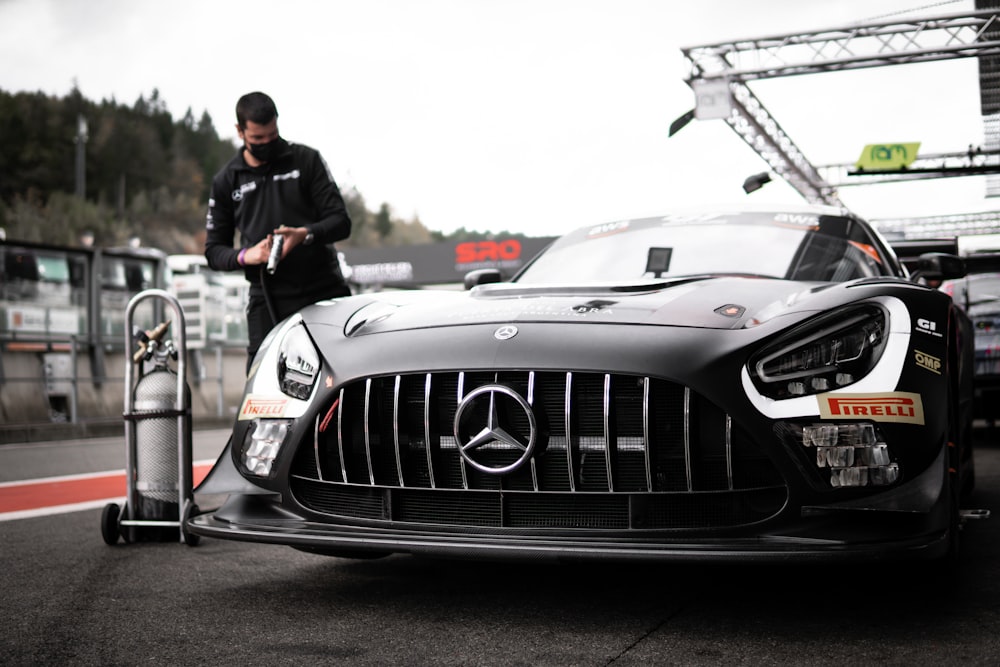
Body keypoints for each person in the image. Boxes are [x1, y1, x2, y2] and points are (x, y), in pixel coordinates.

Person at [204, 91, 352, 372]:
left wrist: (303, 234)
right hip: (267, 297)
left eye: (272, 136)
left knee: (341, 372)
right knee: (261, 380)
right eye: (258, 139)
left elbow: (341, 222)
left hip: (323, 288)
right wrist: (250, 255)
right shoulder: (227, 180)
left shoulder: (306, 160)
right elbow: (214, 252)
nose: (266, 144)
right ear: (240, 131)